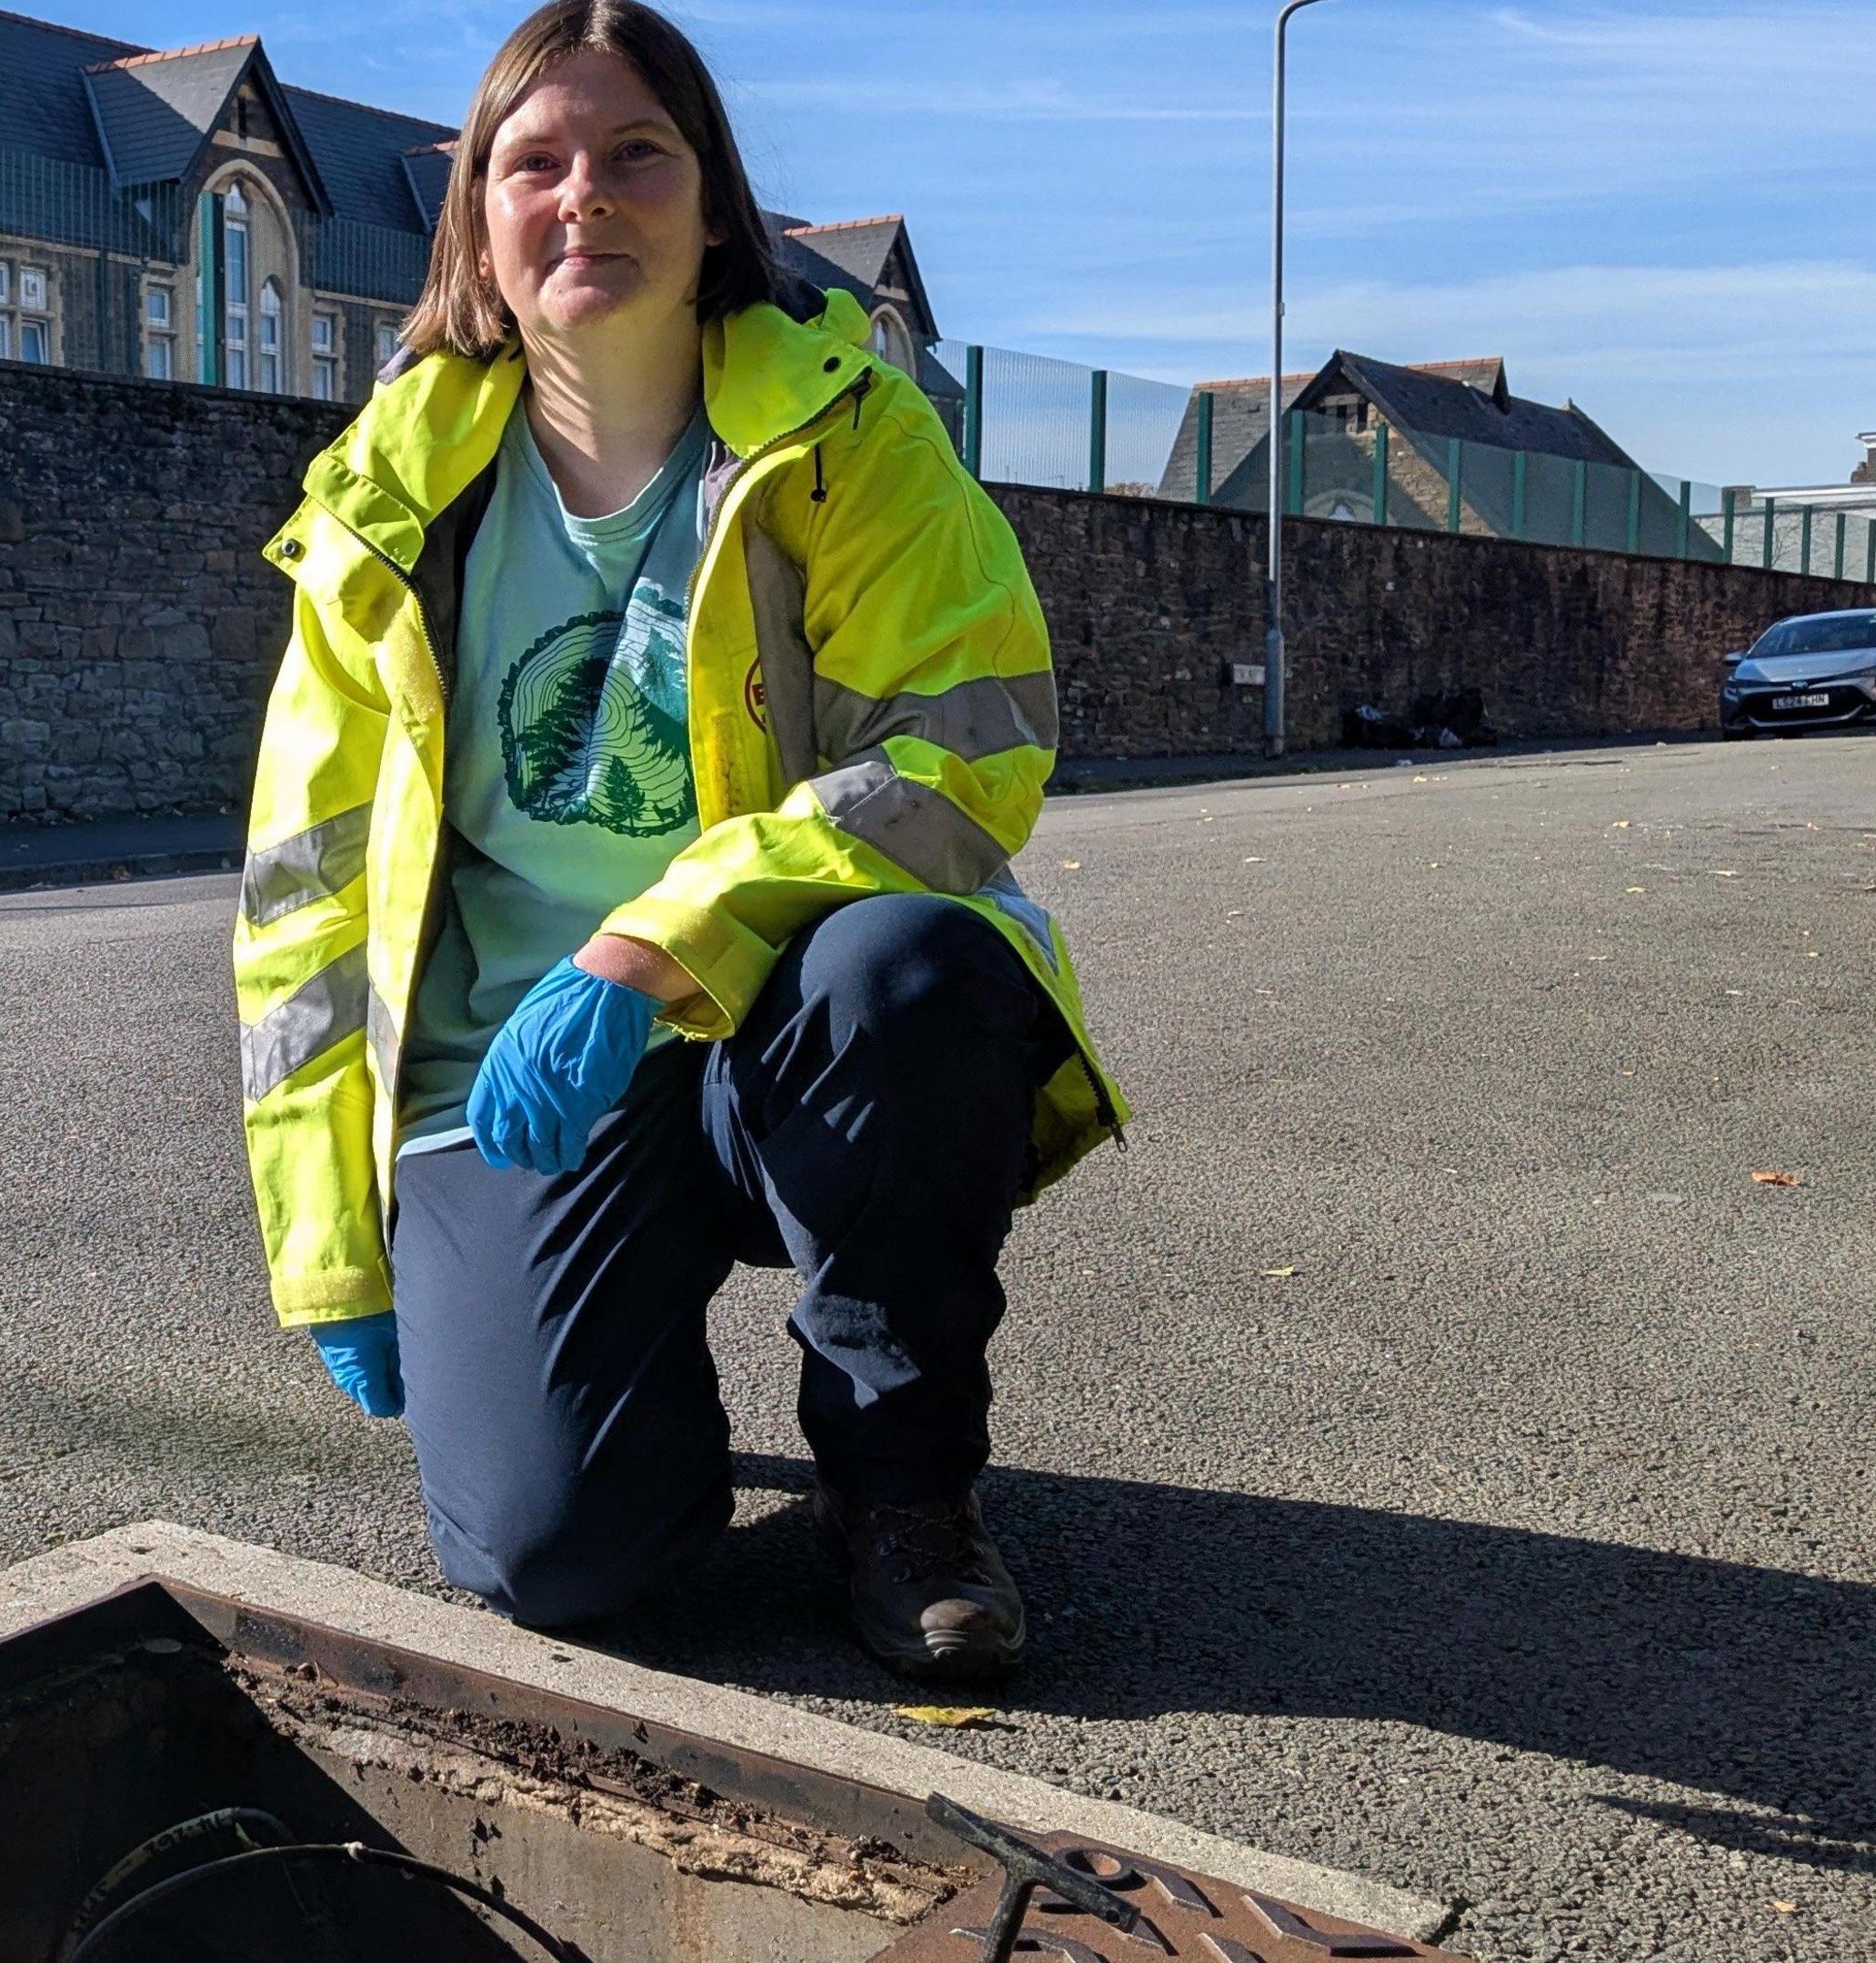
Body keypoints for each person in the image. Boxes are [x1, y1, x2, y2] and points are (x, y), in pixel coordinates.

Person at [232, 0, 1124, 1683]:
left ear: (714, 201)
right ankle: (622, 1419)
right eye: (536, 163)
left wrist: (658, 949)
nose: (589, 196)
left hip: (768, 1031)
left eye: (639, 153)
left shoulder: (848, 436)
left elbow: (965, 739)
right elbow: (306, 897)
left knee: (912, 970)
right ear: (480, 228)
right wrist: (330, 1245)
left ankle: (903, 1486)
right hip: (511, 1074)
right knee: (564, 1556)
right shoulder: (383, 508)